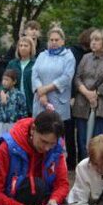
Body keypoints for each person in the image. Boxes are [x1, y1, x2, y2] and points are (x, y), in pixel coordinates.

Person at [31, 28, 77, 159]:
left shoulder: (68, 57)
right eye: (51, 40)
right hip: (41, 101)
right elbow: (35, 74)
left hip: (58, 102)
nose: (54, 42)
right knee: (40, 131)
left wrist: (46, 89)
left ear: (63, 41)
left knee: (55, 134)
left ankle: (55, 163)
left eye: (57, 40)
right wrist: (41, 92)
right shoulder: (42, 55)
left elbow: (66, 78)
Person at [72, 28, 103, 146]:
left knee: (98, 141)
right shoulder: (85, 57)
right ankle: (82, 163)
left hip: (101, 104)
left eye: (97, 39)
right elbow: (77, 77)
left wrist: (96, 94)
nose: (93, 42)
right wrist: (86, 93)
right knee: (82, 140)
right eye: (92, 39)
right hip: (82, 102)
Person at [5, 35, 37, 112]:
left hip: (31, 101)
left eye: (26, 46)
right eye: (20, 45)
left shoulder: (36, 63)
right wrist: (3, 92)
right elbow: (4, 80)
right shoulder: (12, 63)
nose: (23, 48)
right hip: (15, 102)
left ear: (31, 48)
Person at [0, 67, 29, 137]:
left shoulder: (19, 95)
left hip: (14, 125)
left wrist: (21, 126)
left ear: (14, 82)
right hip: (2, 125)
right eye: (3, 79)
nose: (4, 82)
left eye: (7, 80)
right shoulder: (2, 95)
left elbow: (23, 112)